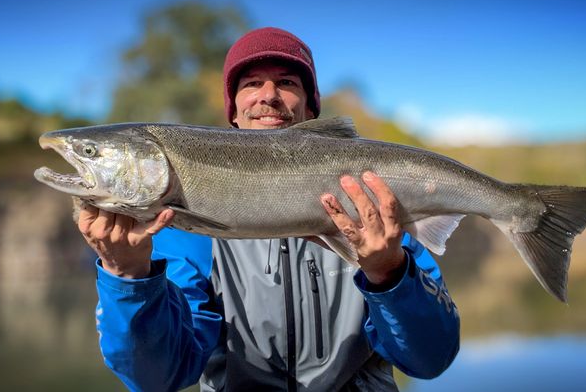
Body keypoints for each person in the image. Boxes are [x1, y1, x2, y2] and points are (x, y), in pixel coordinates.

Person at [78, 27, 460, 392]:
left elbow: (431, 360)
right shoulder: (181, 227)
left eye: (288, 83)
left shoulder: (377, 214)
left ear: (312, 109)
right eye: (251, 83)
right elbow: (159, 378)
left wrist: (389, 275)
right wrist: (129, 279)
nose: (269, 95)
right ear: (233, 112)